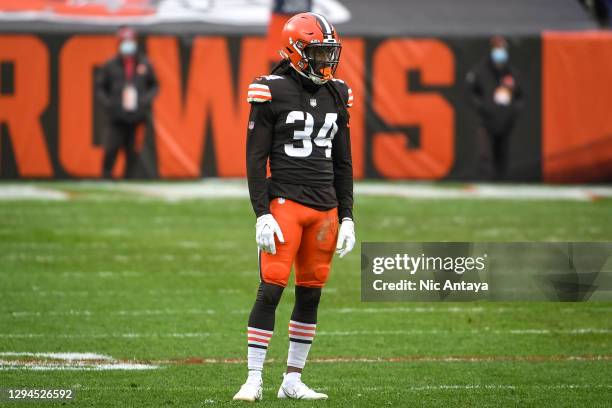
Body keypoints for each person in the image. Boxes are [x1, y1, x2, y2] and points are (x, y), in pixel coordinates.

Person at [233, 12, 356, 402]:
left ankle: (292, 379)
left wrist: (348, 215)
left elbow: (343, 162)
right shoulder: (270, 89)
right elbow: (255, 159)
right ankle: (253, 378)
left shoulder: (338, 92)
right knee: (270, 290)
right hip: (285, 202)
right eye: (318, 53)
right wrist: (262, 212)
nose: (326, 61)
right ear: (296, 51)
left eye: (328, 53)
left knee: (311, 294)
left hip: (325, 210)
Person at [96, 26, 158, 179]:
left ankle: (129, 178)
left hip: (136, 116)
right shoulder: (111, 65)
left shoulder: (144, 63)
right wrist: (109, 103)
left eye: (130, 41)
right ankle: (106, 175)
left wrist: (144, 100)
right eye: (125, 41)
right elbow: (100, 87)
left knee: (132, 150)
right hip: (116, 115)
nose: (128, 44)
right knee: (111, 147)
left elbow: (154, 85)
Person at [466, 36, 523, 180]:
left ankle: (501, 181)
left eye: (502, 48)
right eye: (497, 49)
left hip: (505, 120)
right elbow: (471, 92)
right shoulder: (480, 71)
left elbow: (520, 95)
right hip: (486, 119)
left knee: (502, 153)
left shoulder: (512, 73)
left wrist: (513, 111)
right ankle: (485, 181)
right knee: (484, 152)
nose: (500, 52)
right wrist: (483, 108)